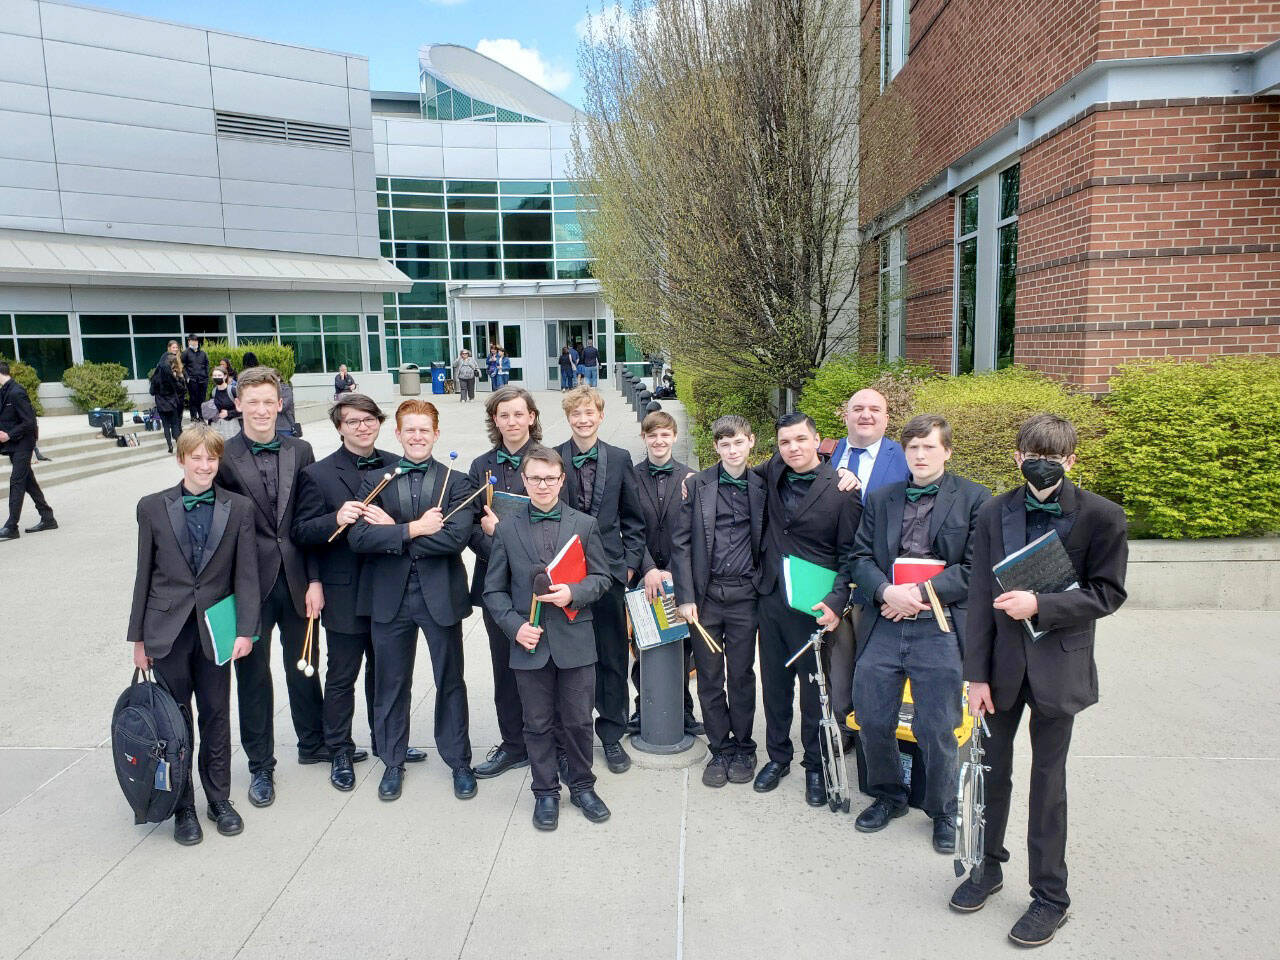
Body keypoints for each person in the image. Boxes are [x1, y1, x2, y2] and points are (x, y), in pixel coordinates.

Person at [952, 414, 1128, 948]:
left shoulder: (1102, 515)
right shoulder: (993, 511)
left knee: (1048, 784)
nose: (1042, 462)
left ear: (1071, 460)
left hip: (1059, 668)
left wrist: (1042, 605)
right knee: (991, 773)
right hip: (1002, 668)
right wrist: (975, 675)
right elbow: (980, 595)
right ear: (1017, 456)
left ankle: (1050, 895)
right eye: (1032, 452)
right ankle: (987, 866)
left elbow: (1107, 593)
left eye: (1053, 455)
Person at [848, 413, 990, 852]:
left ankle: (944, 809)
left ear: (946, 451)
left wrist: (921, 594)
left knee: (938, 726)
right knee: (872, 717)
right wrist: (888, 591)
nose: (920, 455)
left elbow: (974, 567)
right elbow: (860, 557)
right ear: (903, 451)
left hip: (939, 626)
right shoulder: (883, 498)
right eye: (913, 447)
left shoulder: (974, 498)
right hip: (886, 620)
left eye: (929, 447)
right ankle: (889, 795)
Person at [127, 425, 259, 844]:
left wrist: (246, 630)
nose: (205, 466)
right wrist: (138, 640)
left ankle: (218, 798)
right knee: (174, 721)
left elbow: (247, 575)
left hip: (215, 630)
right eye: (197, 458)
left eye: (212, 459)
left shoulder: (237, 508)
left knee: (217, 715)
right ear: (181, 459)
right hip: (166, 630)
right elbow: (143, 574)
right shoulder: (151, 507)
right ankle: (182, 804)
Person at [292, 395, 425, 792]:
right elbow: (302, 533)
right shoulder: (317, 474)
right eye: (353, 421)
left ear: (380, 423)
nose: (362, 427)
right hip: (344, 589)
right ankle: (339, 749)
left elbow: (410, 521)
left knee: (386, 673)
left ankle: (387, 743)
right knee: (343, 674)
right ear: (339, 427)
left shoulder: (397, 464)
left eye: (369, 420)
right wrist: (335, 519)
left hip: (389, 585)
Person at [349, 399, 477, 802]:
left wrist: (396, 533)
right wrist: (415, 530)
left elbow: (455, 538)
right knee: (391, 683)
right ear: (398, 434)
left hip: (440, 595)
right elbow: (359, 538)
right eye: (410, 429)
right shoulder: (376, 483)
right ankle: (392, 760)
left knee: (450, 681)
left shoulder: (456, 482)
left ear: (436, 434)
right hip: (390, 598)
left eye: (425, 429)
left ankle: (459, 761)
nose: (417, 436)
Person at [483, 445, 615, 830]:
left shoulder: (584, 525)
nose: (543, 484)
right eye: (535, 478)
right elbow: (493, 591)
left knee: (577, 721)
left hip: (575, 641)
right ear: (524, 481)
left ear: (562, 480)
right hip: (530, 643)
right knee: (536, 723)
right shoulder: (506, 529)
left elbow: (602, 578)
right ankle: (544, 792)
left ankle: (583, 786)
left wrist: (574, 592)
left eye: (550, 478)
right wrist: (515, 627)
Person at [213, 366, 324, 808]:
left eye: (268, 401)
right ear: (237, 404)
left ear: (281, 404)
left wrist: (315, 578)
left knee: (306, 665)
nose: (261, 410)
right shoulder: (221, 455)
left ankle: (313, 742)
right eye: (251, 401)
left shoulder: (301, 450)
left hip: (297, 579)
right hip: (247, 586)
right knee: (253, 679)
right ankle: (261, 764)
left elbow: (311, 522)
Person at [751, 412, 861, 805]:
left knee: (815, 690)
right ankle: (778, 757)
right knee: (775, 685)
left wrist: (836, 603)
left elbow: (850, 555)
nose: (793, 448)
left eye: (800, 440)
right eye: (785, 442)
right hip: (772, 598)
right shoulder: (773, 471)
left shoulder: (844, 489)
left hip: (814, 605)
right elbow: (733, 466)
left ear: (818, 440)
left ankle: (814, 766)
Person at [672, 414, 766, 788]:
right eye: (724, 444)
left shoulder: (763, 484)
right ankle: (720, 748)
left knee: (741, 675)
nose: (732, 450)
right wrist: (686, 597)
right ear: (715, 447)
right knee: (709, 677)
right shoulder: (697, 485)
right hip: (706, 598)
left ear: (751, 442)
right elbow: (680, 543)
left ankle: (744, 745)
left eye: (738, 443)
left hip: (746, 595)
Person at [556, 386, 646, 773]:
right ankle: (569, 735)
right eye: (576, 413)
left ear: (600, 415)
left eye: (589, 412)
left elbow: (634, 519)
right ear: (568, 417)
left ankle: (611, 734)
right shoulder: (553, 457)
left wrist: (627, 566)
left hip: (609, 573)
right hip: (565, 575)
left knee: (611, 655)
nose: (583, 419)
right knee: (569, 659)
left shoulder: (621, 458)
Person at [827, 388, 913, 746]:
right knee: (835, 660)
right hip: (829, 577)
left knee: (875, 663)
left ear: (886, 417)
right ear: (844, 415)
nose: (866, 415)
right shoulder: (824, 453)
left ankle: (872, 732)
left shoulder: (905, 458)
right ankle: (840, 727)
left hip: (879, 582)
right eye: (857, 409)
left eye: (874, 409)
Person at [466, 386, 542, 780]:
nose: (512, 422)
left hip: (540, 584)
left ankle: (549, 741)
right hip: (496, 585)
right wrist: (497, 541)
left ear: (531, 416)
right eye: (504, 415)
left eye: (518, 414)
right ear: (495, 421)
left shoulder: (549, 460)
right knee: (505, 667)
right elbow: (467, 526)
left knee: (546, 665)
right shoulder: (480, 466)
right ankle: (514, 744)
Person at [629, 409, 700, 737]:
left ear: (674, 437)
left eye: (665, 434)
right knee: (642, 641)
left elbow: (693, 531)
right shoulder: (630, 477)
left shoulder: (691, 478)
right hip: (643, 575)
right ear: (644, 438)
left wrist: (672, 571)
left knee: (680, 644)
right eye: (652, 435)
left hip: (678, 574)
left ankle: (683, 709)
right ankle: (645, 704)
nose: (659, 440)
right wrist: (648, 570)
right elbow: (630, 528)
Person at [0, 361, 57, 541]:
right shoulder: (4, 392)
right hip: (13, 445)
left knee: (17, 481)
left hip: (23, 443)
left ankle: (11, 526)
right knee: (27, 481)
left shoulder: (17, 392)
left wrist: (9, 435)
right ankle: (48, 517)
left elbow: (29, 422)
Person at [150, 354, 186, 454]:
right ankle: (179, 445)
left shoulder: (155, 376)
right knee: (175, 424)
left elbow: (151, 391)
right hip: (172, 403)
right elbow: (181, 389)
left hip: (161, 404)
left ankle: (169, 445)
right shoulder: (171, 375)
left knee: (166, 425)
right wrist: (181, 379)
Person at [181, 335, 209, 424]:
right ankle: (193, 416)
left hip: (203, 380)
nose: (194, 342)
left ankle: (201, 416)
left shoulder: (203, 353)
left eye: (196, 341)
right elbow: (182, 366)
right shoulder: (185, 353)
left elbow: (207, 364)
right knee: (193, 398)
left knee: (202, 399)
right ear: (189, 342)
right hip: (192, 380)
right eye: (192, 341)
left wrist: (206, 375)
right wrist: (187, 377)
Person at [209, 369, 239, 434]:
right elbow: (211, 410)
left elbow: (244, 408)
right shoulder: (213, 392)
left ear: (225, 376)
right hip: (217, 426)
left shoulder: (233, 390)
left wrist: (228, 413)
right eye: (215, 376)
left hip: (232, 426)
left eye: (219, 375)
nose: (217, 377)